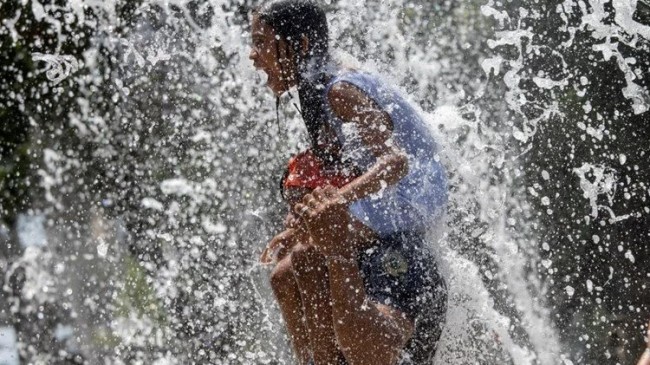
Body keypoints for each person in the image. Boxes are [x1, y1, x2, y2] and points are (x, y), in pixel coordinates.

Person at [249, 1, 448, 364]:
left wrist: (335, 202)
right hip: (387, 202)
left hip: (409, 198)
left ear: (302, 45)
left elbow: (395, 161)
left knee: (306, 255)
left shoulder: (339, 90)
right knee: (284, 273)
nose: (253, 55)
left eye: (262, 42)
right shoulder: (318, 88)